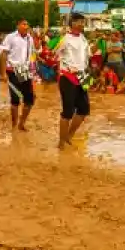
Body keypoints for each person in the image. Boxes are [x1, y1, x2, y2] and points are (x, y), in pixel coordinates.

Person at [55, 13, 91, 149]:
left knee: (84, 110)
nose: (82, 24)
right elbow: (55, 53)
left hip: (83, 76)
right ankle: (61, 143)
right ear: (72, 23)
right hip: (68, 77)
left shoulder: (83, 38)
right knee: (67, 111)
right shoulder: (65, 39)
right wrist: (65, 67)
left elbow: (86, 57)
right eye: (79, 22)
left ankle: (68, 136)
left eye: (83, 22)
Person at [0, 19, 37, 131]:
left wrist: (33, 73)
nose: (26, 26)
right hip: (13, 70)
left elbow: (32, 56)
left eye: (27, 24)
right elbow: (3, 55)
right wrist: (3, 73)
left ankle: (22, 123)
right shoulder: (10, 37)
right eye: (23, 24)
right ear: (18, 25)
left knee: (30, 100)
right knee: (15, 100)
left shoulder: (30, 38)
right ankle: (14, 124)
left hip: (25, 71)